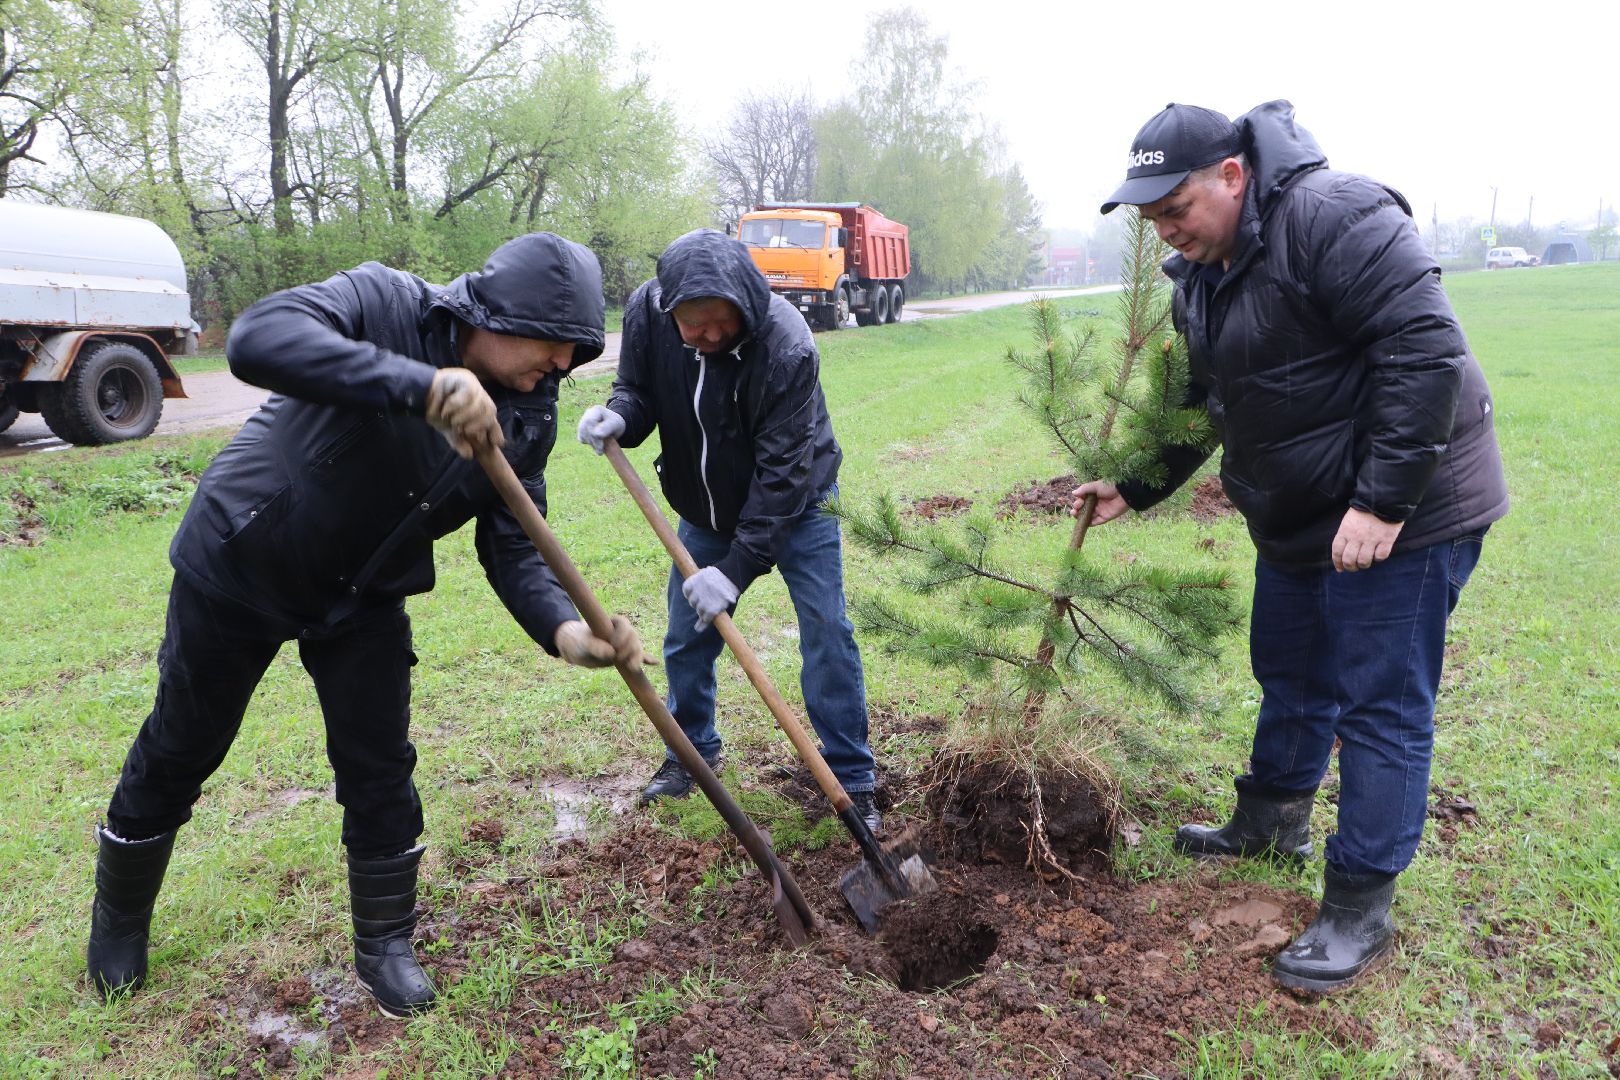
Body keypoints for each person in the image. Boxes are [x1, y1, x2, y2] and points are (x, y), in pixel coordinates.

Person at [87, 232, 646, 1018]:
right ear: (494, 314)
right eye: (552, 348)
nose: (559, 367)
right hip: (245, 556)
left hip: (363, 593)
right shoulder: (385, 304)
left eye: (573, 355)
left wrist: (566, 632)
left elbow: (516, 540)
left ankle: (386, 945)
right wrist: (420, 388)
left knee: (380, 766)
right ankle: (117, 925)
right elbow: (258, 339)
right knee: (184, 741)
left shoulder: (528, 412)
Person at [1080, 102, 1508, 993]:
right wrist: (1136, 482)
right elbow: (1201, 401)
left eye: (1176, 208)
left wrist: (1384, 503)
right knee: (1290, 665)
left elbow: (1425, 349)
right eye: (1152, 216)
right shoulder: (1200, 273)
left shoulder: (1335, 218)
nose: (1165, 229)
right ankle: (1272, 818)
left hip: (1410, 506)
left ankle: (1358, 907)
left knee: (1379, 705)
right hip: (1303, 514)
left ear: (1233, 175)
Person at [576, 229, 881, 831]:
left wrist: (736, 570)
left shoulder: (787, 345)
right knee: (686, 636)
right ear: (672, 311)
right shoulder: (648, 311)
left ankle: (851, 777)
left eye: (721, 322)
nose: (709, 335)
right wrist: (620, 414)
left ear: (745, 304)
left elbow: (783, 474)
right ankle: (690, 756)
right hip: (704, 508)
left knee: (826, 627)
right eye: (694, 325)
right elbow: (637, 390)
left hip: (799, 503)